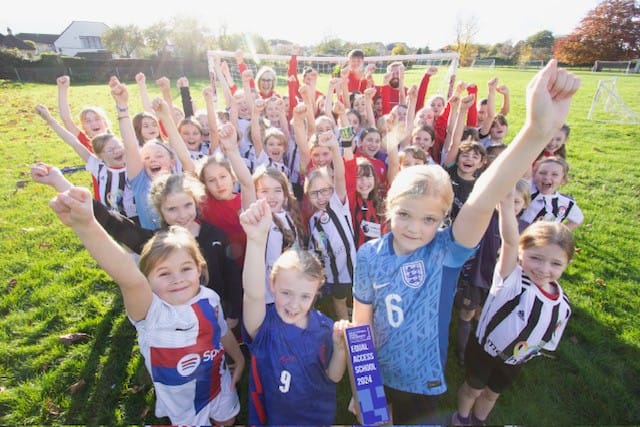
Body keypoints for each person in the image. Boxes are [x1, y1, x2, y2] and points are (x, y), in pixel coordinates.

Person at [351, 60, 580, 424]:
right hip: (376, 373)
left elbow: (482, 200)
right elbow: (361, 322)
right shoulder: (368, 254)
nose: (413, 228)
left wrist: (537, 132)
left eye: (429, 219)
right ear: (388, 208)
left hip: (420, 382)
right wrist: (360, 385)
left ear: (444, 220)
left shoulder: (445, 252)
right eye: (405, 214)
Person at [47, 186, 245, 426]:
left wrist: (239, 359)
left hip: (219, 381)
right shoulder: (151, 312)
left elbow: (221, 330)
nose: (177, 279)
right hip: (183, 405)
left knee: (228, 420)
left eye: (186, 268)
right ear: (147, 279)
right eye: (164, 273)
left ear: (200, 268)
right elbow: (125, 274)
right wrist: (86, 224)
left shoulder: (209, 297)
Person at [452, 192, 574, 426]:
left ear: (567, 264)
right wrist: (506, 205)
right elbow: (509, 239)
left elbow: (548, 338)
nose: (543, 269)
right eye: (536, 258)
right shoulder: (511, 279)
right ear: (520, 253)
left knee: (491, 394)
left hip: (515, 361)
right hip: (485, 352)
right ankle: (462, 417)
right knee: (473, 390)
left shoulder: (563, 304)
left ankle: (479, 420)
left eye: (556, 263)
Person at [239, 198, 349, 425]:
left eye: (305, 296)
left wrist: (339, 349)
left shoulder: (325, 327)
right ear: (272, 284)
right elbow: (252, 295)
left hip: (318, 418)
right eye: (286, 293)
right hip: (275, 419)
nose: (294, 304)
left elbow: (334, 377)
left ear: (317, 292)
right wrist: (256, 240)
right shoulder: (264, 326)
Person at [454, 178, 531, 366]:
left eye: (516, 202)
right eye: (505, 200)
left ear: (525, 204)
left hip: (499, 281)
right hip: (477, 276)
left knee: (483, 315)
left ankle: (477, 346)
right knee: (467, 313)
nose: (510, 206)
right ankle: (462, 351)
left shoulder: (524, 228)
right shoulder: (486, 219)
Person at [34, 104, 138, 223]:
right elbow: (73, 141)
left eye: (118, 147)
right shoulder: (97, 166)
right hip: (111, 219)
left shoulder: (133, 164)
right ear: (100, 156)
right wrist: (49, 119)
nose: (116, 151)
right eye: (110, 150)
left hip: (137, 217)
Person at [306, 130, 357, 320]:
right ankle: (346, 338)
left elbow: (341, 176)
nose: (321, 197)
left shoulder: (338, 204)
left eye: (325, 191)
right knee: (339, 305)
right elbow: (318, 248)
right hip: (335, 276)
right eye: (314, 193)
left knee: (361, 301)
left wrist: (335, 149)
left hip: (354, 268)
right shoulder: (313, 221)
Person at [252, 166, 307, 303]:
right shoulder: (261, 223)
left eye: (277, 190)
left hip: (293, 285)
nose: (271, 196)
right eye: (264, 191)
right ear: (255, 194)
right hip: (272, 297)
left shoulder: (288, 215)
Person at [520, 156, 583, 231]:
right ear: (534, 175)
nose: (547, 177)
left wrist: (557, 233)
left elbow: (578, 219)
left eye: (554, 174)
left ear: (563, 179)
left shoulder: (565, 203)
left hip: (536, 239)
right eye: (542, 173)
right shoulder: (525, 188)